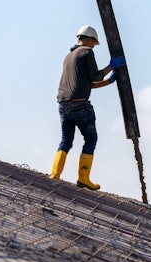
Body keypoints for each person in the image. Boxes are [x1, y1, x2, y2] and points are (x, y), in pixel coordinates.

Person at [50, 25, 126, 190]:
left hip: (63, 105)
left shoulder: (68, 56)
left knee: (66, 141)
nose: (93, 46)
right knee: (91, 139)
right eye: (93, 43)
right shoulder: (87, 52)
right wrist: (111, 66)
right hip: (80, 106)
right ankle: (83, 178)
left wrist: (108, 82)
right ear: (89, 39)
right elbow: (95, 76)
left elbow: (86, 84)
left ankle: (54, 175)